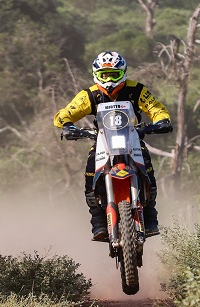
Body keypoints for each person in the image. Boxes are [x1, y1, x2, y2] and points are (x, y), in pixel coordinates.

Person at [53, 51, 172, 241]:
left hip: (132, 138)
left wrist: (161, 121)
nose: (108, 80)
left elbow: (155, 108)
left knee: (148, 168)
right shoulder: (90, 95)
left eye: (113, 74)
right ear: (96, 75)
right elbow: (65, 113)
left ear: (123, 73)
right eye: (104, 75)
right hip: (103, 140)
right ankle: (99, 222)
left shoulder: (137, 90)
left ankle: (150, 217)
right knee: (90, 173)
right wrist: (68, 126)